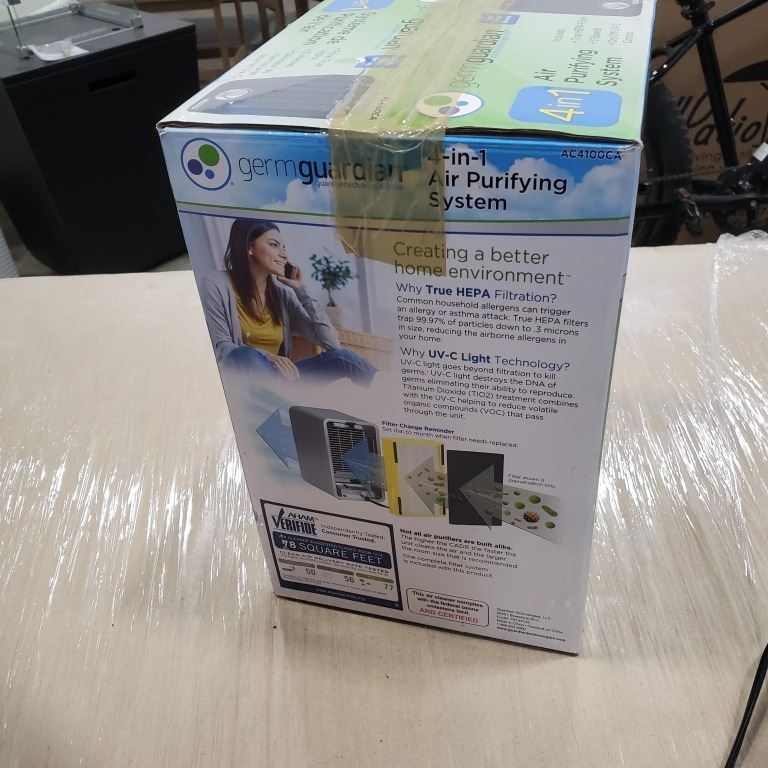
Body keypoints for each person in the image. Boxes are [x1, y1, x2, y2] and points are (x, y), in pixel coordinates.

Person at [200, 218, 376, 385]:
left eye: (284, 247)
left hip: (286, 380)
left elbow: (332, 345)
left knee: (344, 357)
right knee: (246, 356)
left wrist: (302, 290)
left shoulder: (283, 295)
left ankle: (384, 385)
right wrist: (267, 357)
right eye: (274, 245)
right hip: (246, 382)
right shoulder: (215, 284)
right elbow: (223, 348)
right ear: (249, 247)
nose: (284, 255)